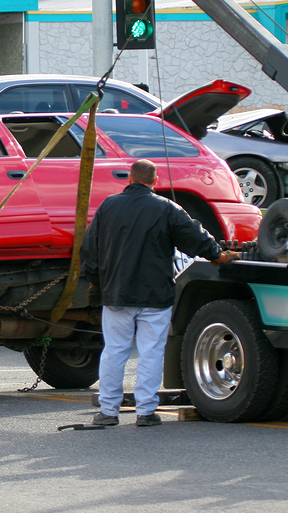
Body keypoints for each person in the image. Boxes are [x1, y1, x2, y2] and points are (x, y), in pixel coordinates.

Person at [82, 159, 238, 427]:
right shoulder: (166, 208)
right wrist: (218, 255)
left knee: (114, 351)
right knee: (151, 352)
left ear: (129, 178)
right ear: (155, 181)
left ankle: (108, 411)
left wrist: (96, 282)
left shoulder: (108, 206)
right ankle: (145, 412)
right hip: (155, 295)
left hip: (116, 294)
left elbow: (90, 249)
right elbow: (195, 235)